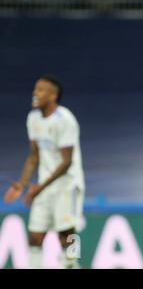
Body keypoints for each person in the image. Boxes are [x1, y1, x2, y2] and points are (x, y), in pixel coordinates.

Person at [3, 76, 85, 269]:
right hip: (43, 186)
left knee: (67, 234)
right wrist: (22, 184)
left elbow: (67, 162)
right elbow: (34, 156)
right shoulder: (33, 118)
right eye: (35, 89)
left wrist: (39, 188)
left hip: (68, 185)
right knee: (35, 236)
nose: (35, 93)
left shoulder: (65, 120)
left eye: (40, 90)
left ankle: (73, 264)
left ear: (53, 95)